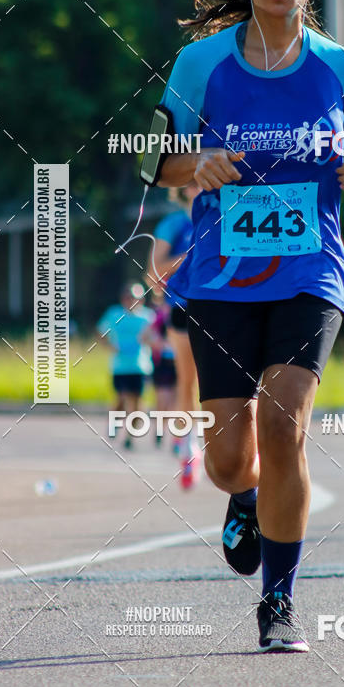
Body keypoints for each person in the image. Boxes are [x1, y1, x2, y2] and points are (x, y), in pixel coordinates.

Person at [155, 0, 344, 651]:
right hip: (220, 277)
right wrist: (197, 164)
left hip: (310, 272)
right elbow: (156, 164)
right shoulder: (201, 65)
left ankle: (278, 603)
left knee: (285, 426)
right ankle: (245, 497)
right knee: (229, 461)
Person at [147, 185, 202, 487]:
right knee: (187, 381)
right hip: (183, 307)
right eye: (191, 180)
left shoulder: (227, 212)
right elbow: (153, 274)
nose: (198, 185)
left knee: (229, 381)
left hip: (228, 306)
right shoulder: (174, 224)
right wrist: (196, 253)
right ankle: (189, 448)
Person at [97, 283, 155, 450]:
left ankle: (130, 436)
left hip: (140, 366)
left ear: (141, 299)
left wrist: (149, 339)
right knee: (122, 399)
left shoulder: (148, 317)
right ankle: (114, 422)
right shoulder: (114, 314)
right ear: (123, 298)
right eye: (128, 297)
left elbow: (155, 337)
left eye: (135, 298)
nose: (131, 301)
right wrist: (109, 346)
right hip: (120, 367)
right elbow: (100, 332)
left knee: (136, 403)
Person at [141, 292, 177, 449]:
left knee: (175, 404)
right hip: (162, 364)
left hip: (179, 364)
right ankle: (159, 430)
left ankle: (177, 439)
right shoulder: (157, 316)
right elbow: (144, 337)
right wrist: (159, 344)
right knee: (162, 402)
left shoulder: (183, 312)